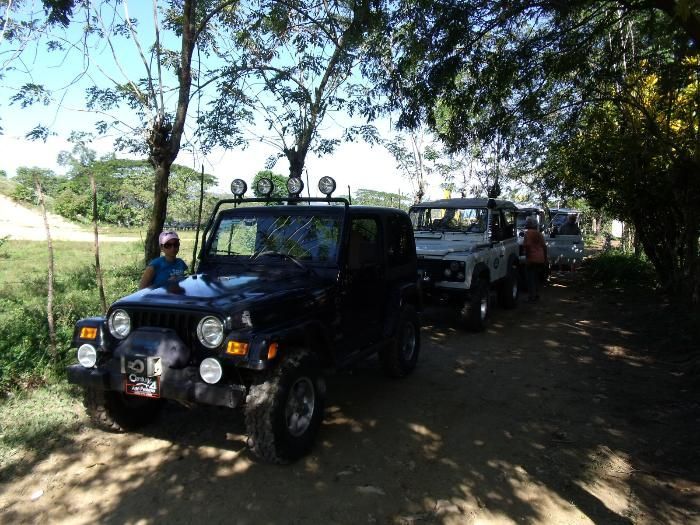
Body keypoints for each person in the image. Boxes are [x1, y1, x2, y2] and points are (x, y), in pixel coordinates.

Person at [523, 216, 547, 302]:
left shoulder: (527, 233)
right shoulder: (539, 234)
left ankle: (531, 297)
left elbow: (527, 246)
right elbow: (544, 247)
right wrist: (545, 258)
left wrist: (527, 258)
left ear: (529, 224)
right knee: (536, 278)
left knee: (530, 278)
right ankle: (536, 295)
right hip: (540, 259)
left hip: (532, 259)